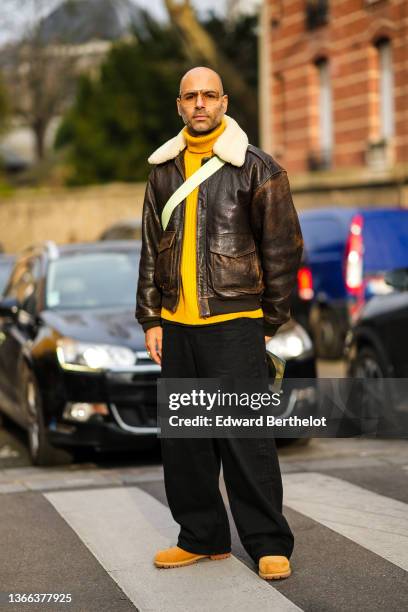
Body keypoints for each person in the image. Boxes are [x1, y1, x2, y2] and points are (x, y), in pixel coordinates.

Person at [136, 66, 303, 580]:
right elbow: (148, 250)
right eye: (191, 96)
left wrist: (267, 322)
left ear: (225, 102)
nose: (200, 104)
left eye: (209, 95)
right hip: (177, 326)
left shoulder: (258, 168)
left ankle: (269, 541)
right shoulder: (162, 170)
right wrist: (150, 317)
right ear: (180, 105)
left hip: (236, 322)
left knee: (245, 439)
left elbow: (283, 251)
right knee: (185, 443)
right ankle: (202, 537)